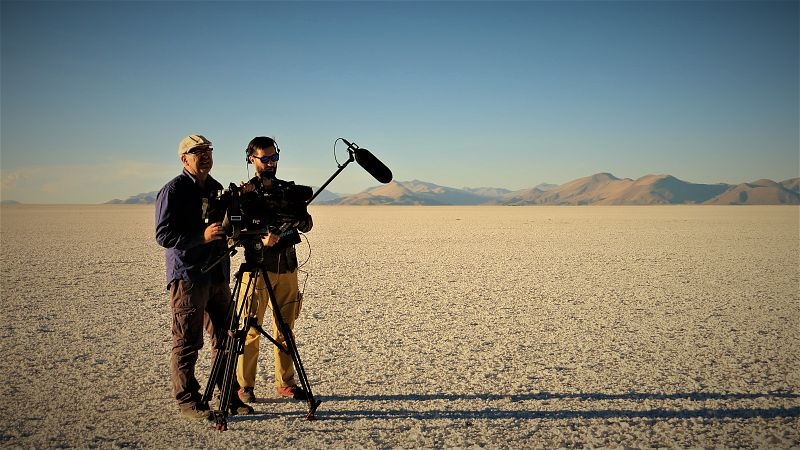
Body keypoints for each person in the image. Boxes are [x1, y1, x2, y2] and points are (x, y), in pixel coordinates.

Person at [155, 134, 254, 419]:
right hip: (188, 276)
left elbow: (224, 227)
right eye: (197, 151)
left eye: (208, 150)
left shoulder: (216, 188)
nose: (205, 155)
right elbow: (164, 235)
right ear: (184, 158)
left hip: (217, 275)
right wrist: (202, 235)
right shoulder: (173, 191)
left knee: (227, 338)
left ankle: (228, 397)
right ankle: (188, 401)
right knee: (187, 341)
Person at [235, 136, 313, 403]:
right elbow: (233, 234)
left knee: (286, 328)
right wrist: (260, 239)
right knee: (249, 328)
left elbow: (308, 224)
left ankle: (286, 383)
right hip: (257, 269)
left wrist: (301, 220)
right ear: (251, 159)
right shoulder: (244, 195)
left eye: (274, 158)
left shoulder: (287, 191)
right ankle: (245, 386)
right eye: (264, 159)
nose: (270, 163)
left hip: (288, 267)